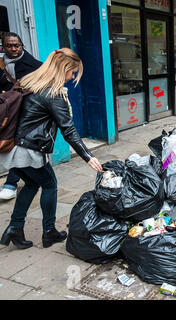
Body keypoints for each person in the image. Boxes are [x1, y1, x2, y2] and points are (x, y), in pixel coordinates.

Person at [0, 48, 103, 250]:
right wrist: (88, 156)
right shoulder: (53, 93)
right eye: (72, 72)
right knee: (49, 184)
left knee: (30, 184)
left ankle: (15, 228)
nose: (72, 76)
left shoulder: (29, 81)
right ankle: (49, 232)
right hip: (27, 150)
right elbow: (69, 129)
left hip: (13, 147)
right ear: (64, 68)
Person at [0, 32, 43, 200]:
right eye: (9, 46)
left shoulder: (33, 64)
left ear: (22, 45)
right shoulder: (2, 63)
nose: (14, 49)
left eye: (16, 45)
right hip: (6, 110)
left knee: (16, 143)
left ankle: (11, 183)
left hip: (25, 112)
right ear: (3, 47)